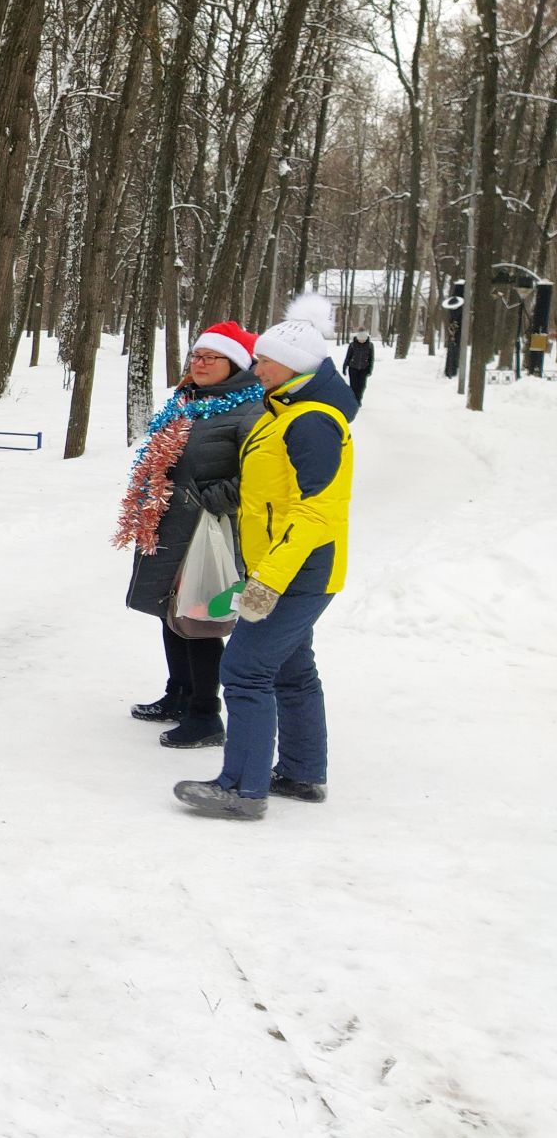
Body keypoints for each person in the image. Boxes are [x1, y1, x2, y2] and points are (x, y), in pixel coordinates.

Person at [175, 294, 356, 821]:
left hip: (297, 573)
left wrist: (268, 581)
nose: (256, 366)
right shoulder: (288, 412)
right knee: (292, 672)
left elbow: (318, 512)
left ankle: (241, 788)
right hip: (283, 568)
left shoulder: (312, 422)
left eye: (265, 360)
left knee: (246, 669)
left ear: (293, 366)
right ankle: (302, 774)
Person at [114, 321, 264, 748]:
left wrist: (211, 498)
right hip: (169, 521)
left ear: (233, 363)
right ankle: (178, 693)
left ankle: (206, 715)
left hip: (209, 530)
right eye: (196, 356)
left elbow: (257, 477)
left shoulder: (250, 410)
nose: (199, 363)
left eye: (209, 357)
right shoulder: (186, 402)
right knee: (171, 609)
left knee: (200, 616)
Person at [343, 330, 374, 402]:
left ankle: (358, 399)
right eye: (360, 339)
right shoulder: (352, 345)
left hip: (364, 368)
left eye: (363, 340)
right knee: (353, 386)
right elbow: (348, 357)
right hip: (353, 367)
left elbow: (371, 358)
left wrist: (370, 369)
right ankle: (354, 401)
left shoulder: (370, 346)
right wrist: (344, 367)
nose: (362, 341)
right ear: (357, 338)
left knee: (362, 386)